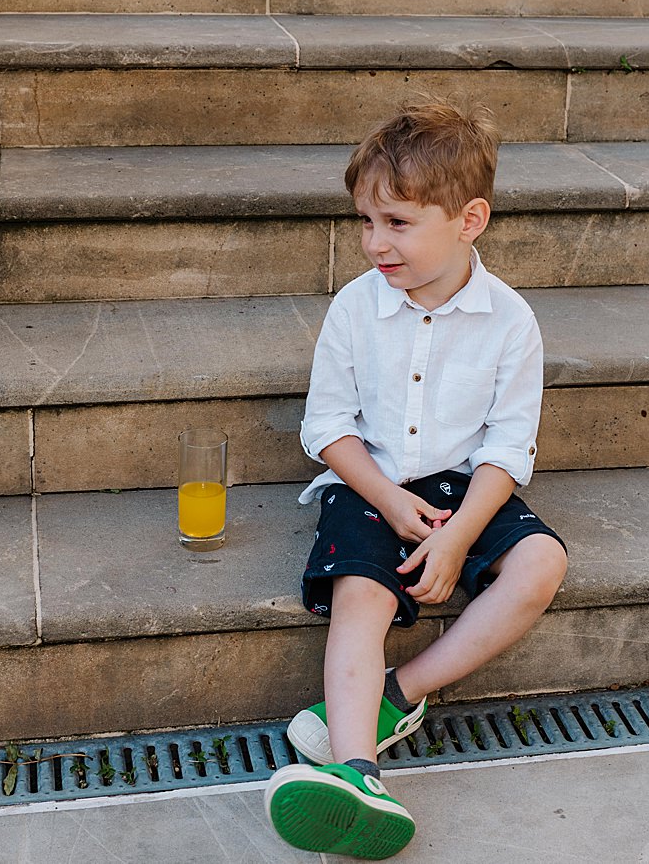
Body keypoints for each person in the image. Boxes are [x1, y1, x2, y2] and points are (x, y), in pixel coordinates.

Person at [263, 98, 570, 859]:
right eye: (366, 221)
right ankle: (358, 773)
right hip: (372, 484)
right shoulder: (354, 309)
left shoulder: (509, 320)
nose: (374, 243)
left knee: (543, 562)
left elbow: (508, 446)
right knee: (361, 593)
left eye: (396, 223)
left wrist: (462, 534)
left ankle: (398, 694)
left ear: (469, 220)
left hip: (467, 489)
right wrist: (389, 499)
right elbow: (327, 428)